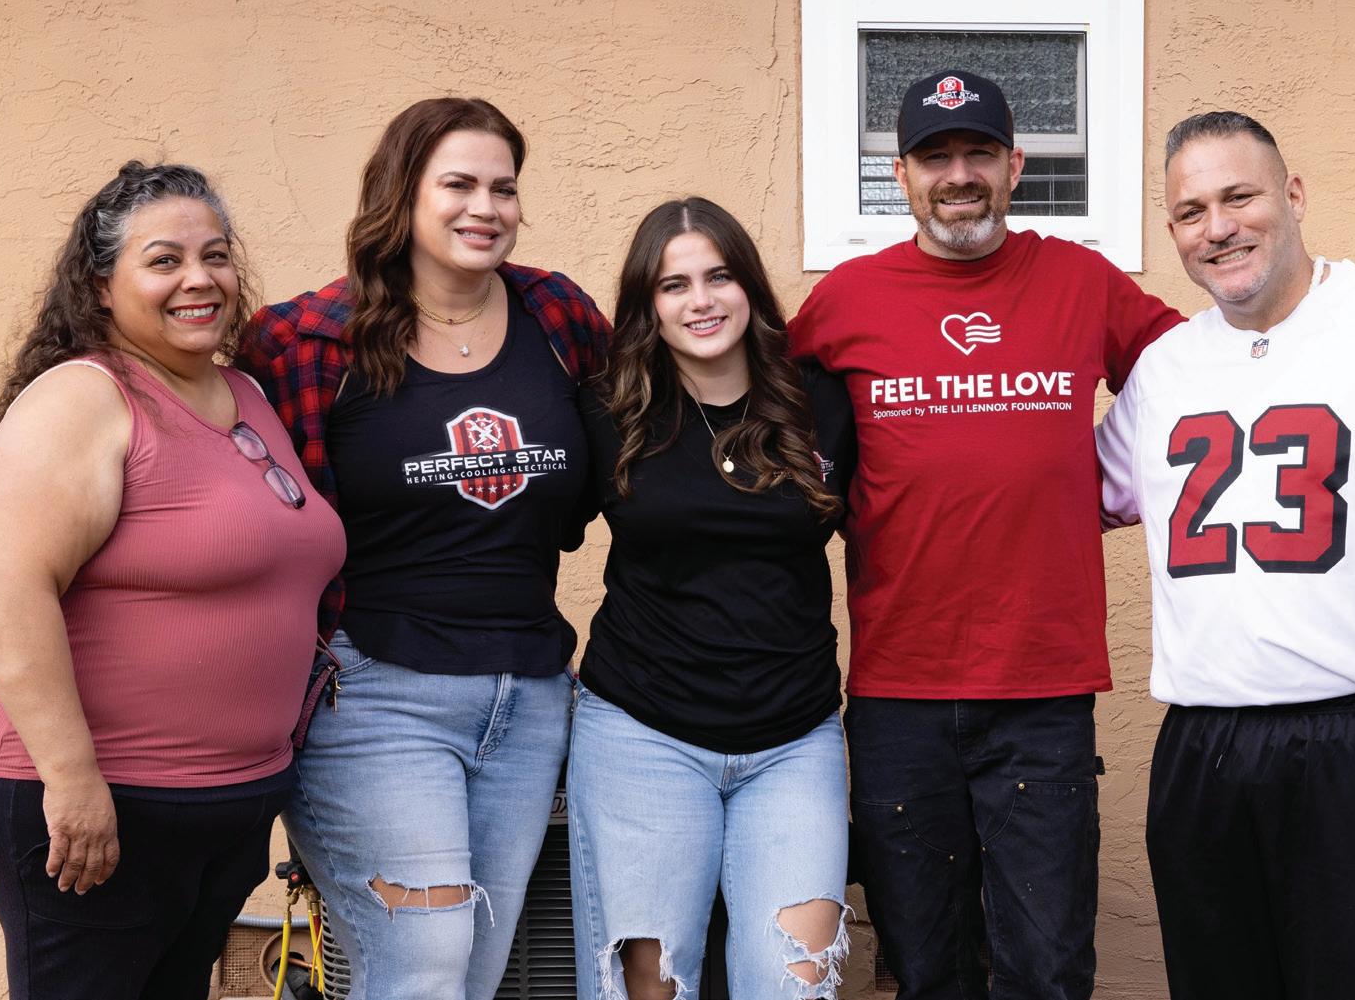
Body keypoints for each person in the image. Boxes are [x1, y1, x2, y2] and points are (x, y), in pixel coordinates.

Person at [787, 68, 1180, 998]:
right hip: (897, 691)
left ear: (1014, 166)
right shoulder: (846, 298)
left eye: (977, 153)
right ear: (900, 175)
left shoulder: (1081, 280)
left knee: (1047, 969)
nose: (957, 175)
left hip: (1041, 690)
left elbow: (1192, 376)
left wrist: (1121, 484)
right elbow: (758, 414)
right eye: (934, 157)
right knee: (926, 970)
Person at [0, 161, 345, 1000]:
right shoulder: (83, 399)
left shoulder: (245, 393)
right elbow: (7, 585)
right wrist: (73, 780)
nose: (198, 278)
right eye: (164, 260)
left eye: (215, 255)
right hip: (97, 801)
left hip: (224, 803)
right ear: (100, 286)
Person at [239, 98, 609, 1000]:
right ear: (402, 196)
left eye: (503, 188)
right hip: (375, 694)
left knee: (467, 976)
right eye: (458, 184)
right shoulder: (306, 342)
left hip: (527, 694)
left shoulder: (558, 316)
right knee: (424, 963)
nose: (486, 207)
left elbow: (624, 455)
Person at [1096, 112, 1355, 999]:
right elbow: (1064, 501)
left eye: (1239, 197)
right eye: (1190, 212)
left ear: (1292, 195)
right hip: (1203, 741)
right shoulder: (1163, 368)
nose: (1217, 227)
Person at [567, 196, 857, 999]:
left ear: (750, 288)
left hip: (793, 741)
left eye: (719, 276)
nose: (700, 300)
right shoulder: (608, 409)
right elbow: (530, 528)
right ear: (647, 306)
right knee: (649, 989)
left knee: (794, 984)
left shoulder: (819, 401)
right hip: (641, 735)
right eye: (674, 284)